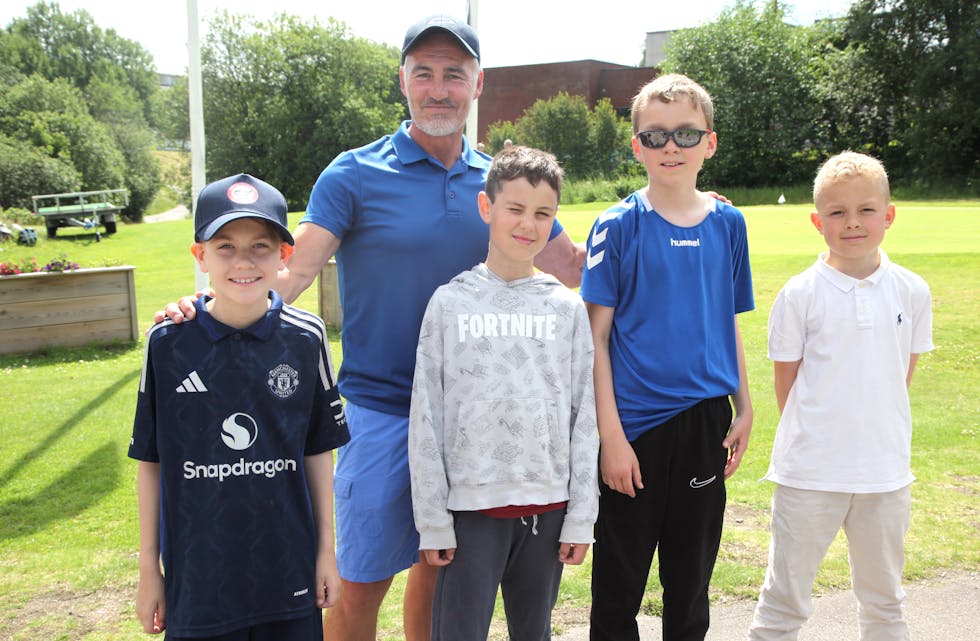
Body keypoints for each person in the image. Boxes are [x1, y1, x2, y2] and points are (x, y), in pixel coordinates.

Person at [156, 15, 586, 641]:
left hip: (469, 425)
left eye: (454, 75)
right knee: (356, 584)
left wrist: (665, 212)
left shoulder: (499, 183)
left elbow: (571, 269)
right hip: (380, 414)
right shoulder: (355, 173)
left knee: (439, 570)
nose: (439, 89)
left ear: (477, 85)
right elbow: (293, 269)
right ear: (404, 82)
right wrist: (205, 309)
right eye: (424, 74)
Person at [130, 173, 351, 639]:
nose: (243, 261)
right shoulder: (168, 344)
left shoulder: (305, 338)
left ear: (284, 255)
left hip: (288, 572)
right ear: (200, 256)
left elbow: (317, 453)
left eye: (261, 247)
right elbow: (151, 461)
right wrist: (150, 567)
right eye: (225, 246)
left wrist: (326, 551)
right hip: (199, 582)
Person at [579, 73, 754, 641]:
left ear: (710, 142)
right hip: (635, 429)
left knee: (690, 583)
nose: (670, 147)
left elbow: (726, 322)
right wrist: (612, 438)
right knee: (618, 586)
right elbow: (595, 339)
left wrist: (744, 407)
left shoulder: (730, 223)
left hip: (706, 421)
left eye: (685, 134)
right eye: (655, 137)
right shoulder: (618, 224)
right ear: (637, 147)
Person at [408, 146, 599, 641]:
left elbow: (584, 416)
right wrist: (432, 520)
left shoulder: (565, 307)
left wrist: (581, 517)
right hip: (471, 511)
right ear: (487, 208)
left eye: (543, 214)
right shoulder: (450, 303)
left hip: (548, 509)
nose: (528, 224)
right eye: (515, 209)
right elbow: (426, 416)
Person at [747, 151, 933, 641]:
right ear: (817, 221)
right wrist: (823, 439)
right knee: (784, 604)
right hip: (810, 474)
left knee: (885, 603)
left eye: (866, 210)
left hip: (885, 473)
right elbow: (786, 383)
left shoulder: (912, 291)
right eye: (837, 213)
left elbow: (900, 375)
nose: (852, 223)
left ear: (888, 216)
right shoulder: (799, 294)